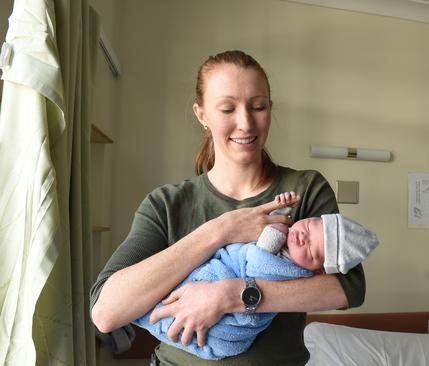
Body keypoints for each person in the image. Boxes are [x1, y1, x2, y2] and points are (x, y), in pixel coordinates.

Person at [89, 50, 367, 365]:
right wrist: (221, 230)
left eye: (258, 106)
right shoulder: (166, 204)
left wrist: (234, 296)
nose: (246, 123)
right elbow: (105, 312)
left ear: (270, 110)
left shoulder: (305, 189)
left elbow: (349, 288)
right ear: (202, 115)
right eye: (227, 108)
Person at [133, 192, 379, 360]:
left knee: (164, 310)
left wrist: (227, 294)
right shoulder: (162, 202)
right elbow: (103, 308)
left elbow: (260, 257)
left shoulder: (288, 269)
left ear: (319, 270)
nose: (303, 236)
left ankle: (143, 314)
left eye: (313, 249)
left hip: (234, 319)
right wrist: (283, 210)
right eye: (310, 225)